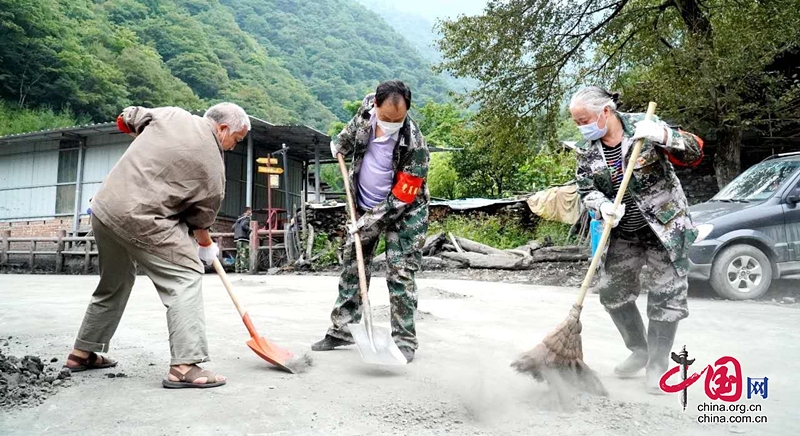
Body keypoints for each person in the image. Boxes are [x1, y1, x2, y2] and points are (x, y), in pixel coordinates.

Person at [63, 102, 251, 389]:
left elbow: (127, 116)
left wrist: (148, 141)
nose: (233, 147)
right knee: (185, 275)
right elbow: (200, 220)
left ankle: (82, 352)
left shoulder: (172, 115)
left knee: (114, 282)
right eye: (236, 139)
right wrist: (205, 248)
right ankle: (184, 366)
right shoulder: (214, 166)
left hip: (104, 210)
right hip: (142, 219)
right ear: (223, 128)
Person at [570, 86, 703, 393]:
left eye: (584, 119)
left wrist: (665, 137)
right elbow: (585, 189)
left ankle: (657, 364)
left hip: (664, 227)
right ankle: (639, 349)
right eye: (576, 122)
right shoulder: (586, 149)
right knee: (612, 292)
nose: (581, 127)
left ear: (605, 111)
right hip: (623, 231)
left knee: (666, 293)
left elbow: (694, 151)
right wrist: (601, 205)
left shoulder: (645, 125)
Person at [311, 80, 430, 363]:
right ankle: (342, 331)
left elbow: (401, 199)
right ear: (376, 105)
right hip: (362, 203)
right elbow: (351, 132)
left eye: (398, 120)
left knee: (400, 275)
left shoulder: (416, 145)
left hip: (405, 215)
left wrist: (366, 224)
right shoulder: (367, 109)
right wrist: (339, 143)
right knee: (353, 266)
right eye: (387, 118)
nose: (391, 124)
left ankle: (404, 342)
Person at [232, 207, 252, 273]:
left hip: (237, 239)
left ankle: (237, 268)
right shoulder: (247, 218)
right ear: (247, 212)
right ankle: (244, 268)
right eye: (250, 212)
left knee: (238, 253)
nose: (251, 213)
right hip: (243, 238)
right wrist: (250, 229)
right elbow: (244, 225)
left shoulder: (238, 219)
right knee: (244, 253)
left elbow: (233, 227)